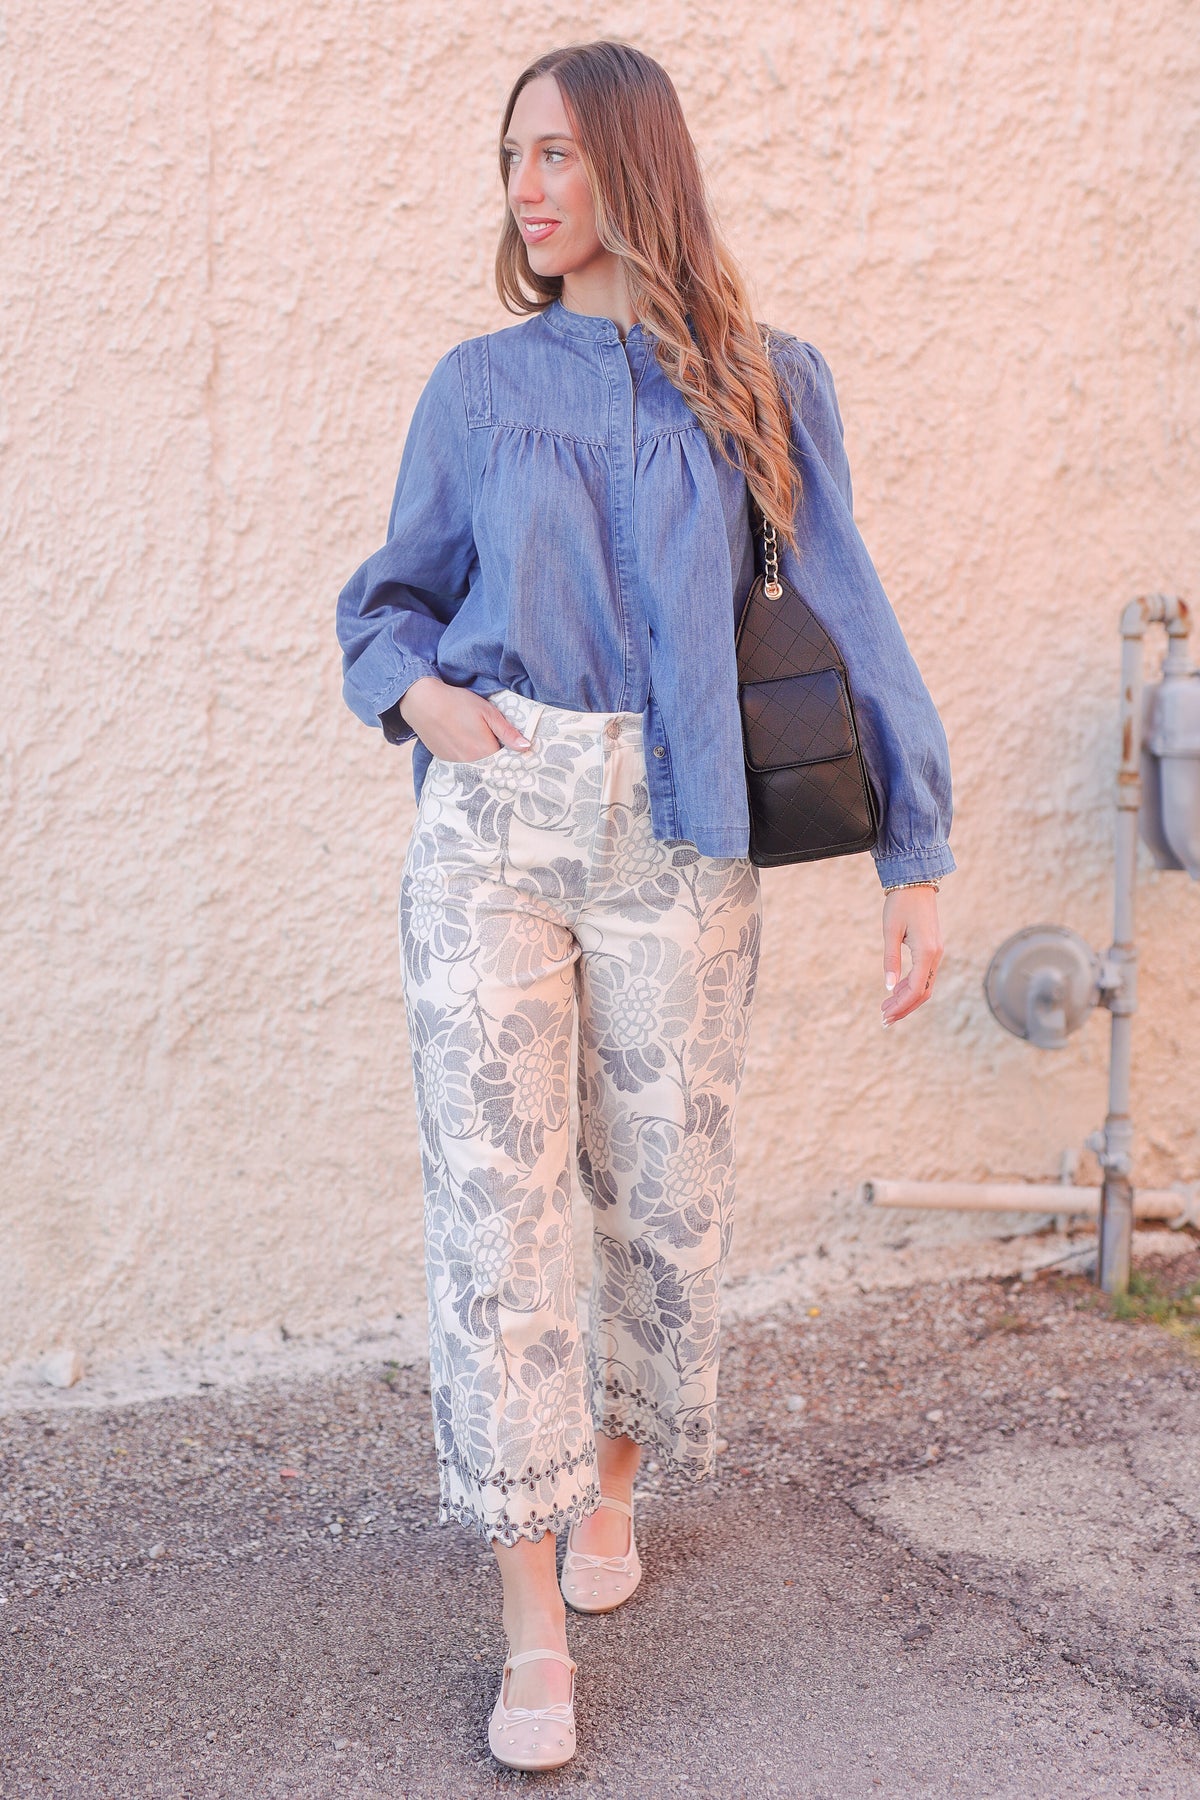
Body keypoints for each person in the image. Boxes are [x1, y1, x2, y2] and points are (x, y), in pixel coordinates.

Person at [336, 39, 952, 1772]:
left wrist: (916, 846)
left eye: (558, 156)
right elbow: (387, 604)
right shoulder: (474, 386)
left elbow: (851, 609)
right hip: (497, 828)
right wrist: (429, 706)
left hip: (683, 838)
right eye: (511, 159)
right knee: (500, 1218)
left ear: (635, 166)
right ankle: (528, 1619)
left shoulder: (766, 383)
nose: (528, 192)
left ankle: (609, 1484)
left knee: (662, 1212)